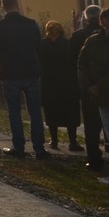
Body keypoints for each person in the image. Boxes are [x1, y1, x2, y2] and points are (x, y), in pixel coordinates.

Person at [0, 0, 48, 159]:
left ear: (3, 7)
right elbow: (38, 46)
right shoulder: (30, 24)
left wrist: (3, 62)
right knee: (35, 111)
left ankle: (19, 147)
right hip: (31, 71)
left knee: (14, 111)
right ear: (18, 5)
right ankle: (39, 148)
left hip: (10, 73)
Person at [77, 6, 109, 186]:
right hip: (100, 97)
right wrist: (87, 85)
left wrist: (99, 85)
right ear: (103, 21)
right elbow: (82, 64)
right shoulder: (92, 41)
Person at [71, 5, 106, 171]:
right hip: (108, 84)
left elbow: (72, 61)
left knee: (91, 124)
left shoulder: (78, 35)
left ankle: (93, 158)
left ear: (85, 17)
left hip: (87, 85)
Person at [39, 19, 81, 151]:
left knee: (51, 113)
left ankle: (54, 141)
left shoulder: (42, 45)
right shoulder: (68, 44)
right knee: (70, 113)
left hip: (49, 83)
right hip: (67, 83)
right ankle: (73, 142)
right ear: (61, 31)